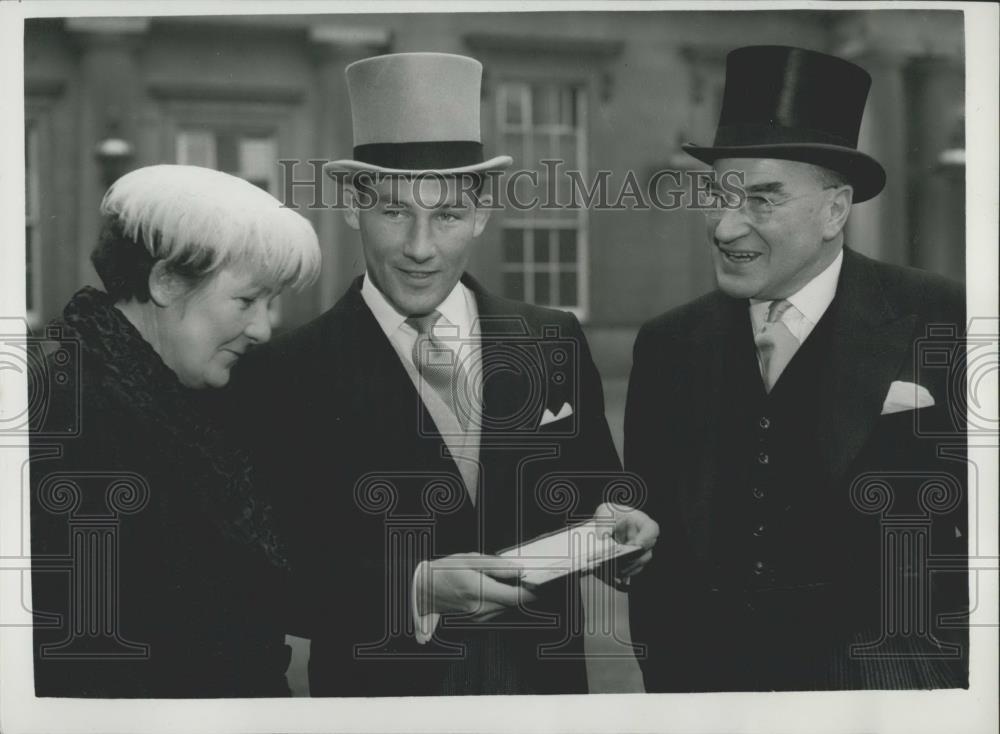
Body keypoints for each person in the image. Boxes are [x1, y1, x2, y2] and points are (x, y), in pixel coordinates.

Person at [231, 52, 658, 696]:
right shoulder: (283, 371)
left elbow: (594, 492)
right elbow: (265, 574)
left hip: (542, 693)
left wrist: (621, 534)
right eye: (394, 211)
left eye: (448, 215)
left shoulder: (550, 339)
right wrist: (416, 587)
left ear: (482, 216)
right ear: (353, 208)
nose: (421, 247)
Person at [625, 45, 967, 691]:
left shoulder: (943, 318)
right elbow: (651, 538)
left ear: (835, 211)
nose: (726, 227)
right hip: (712, 691)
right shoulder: (668, 344)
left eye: (761, 199)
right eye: (719, 196)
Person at [30, 164, 321, 697]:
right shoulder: (64, 419)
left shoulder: (179, 402)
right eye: (246, 300)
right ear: (165, 281)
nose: (262, 328)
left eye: (270, 304)